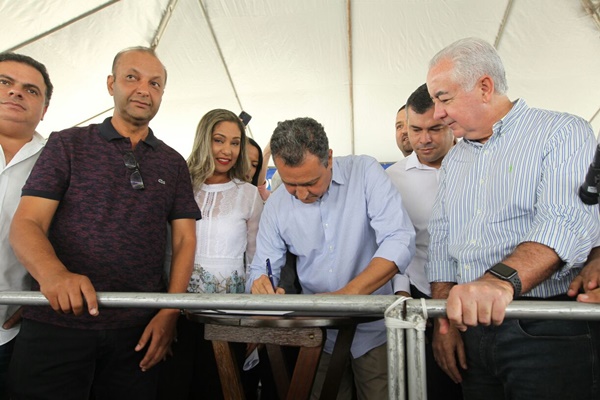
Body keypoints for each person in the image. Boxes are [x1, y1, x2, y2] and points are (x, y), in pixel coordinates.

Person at [8, 47, 201, 399]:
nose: (144, 89)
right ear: (111, 84)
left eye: (155, 83)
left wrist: (169, 311)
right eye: (132, 77)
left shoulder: (173, 163)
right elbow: (27, 222)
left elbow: (184, 240)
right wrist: (54, 275)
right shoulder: (67, 143)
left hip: (137, 330)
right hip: (56, 323)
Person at [425, 37, 600, 400]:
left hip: (543, 328)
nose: (437, 113)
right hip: (470, 331)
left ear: (484, 87)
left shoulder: (561, 132)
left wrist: (498, 283)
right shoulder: (455, 159)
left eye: (444, 99)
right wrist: (444, 320)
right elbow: (441, 242)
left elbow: (564, 222)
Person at [247, 117, 415, 400]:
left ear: (329, 159)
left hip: (374, 331)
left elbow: (398, 239)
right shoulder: (276, 204)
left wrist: (346, 296)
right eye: (290, 184)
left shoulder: (365, 172)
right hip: (318, 335)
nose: (302, 194)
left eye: (311, 182)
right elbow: (262, 265)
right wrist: (261, 285)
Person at [158, 108, 265, 399]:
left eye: (235, 142)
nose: (227, 150)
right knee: (174, 387)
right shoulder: (178, 186)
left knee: (218, 388)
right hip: (176, 313)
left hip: (228, 317)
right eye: (219, 140)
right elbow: (165, 251)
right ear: (204, 139)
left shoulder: (249, 195)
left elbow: (255, 260)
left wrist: (254, 321)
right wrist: (164, 309)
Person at [386, 83, 460, 400]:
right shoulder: (392, 179)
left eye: (434, 129)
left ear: (451, 124)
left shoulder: (479, 164)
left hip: (480, 297)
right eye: (415, 130)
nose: (424, 139)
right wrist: (403, 294)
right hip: (422, 301)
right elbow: (394, 241)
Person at [0, 52, 53, 399]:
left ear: (44, 109)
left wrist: (36, 298)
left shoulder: (58, 160)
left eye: (31, 90)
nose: (16, 92)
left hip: (14, 332)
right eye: (5, 83)